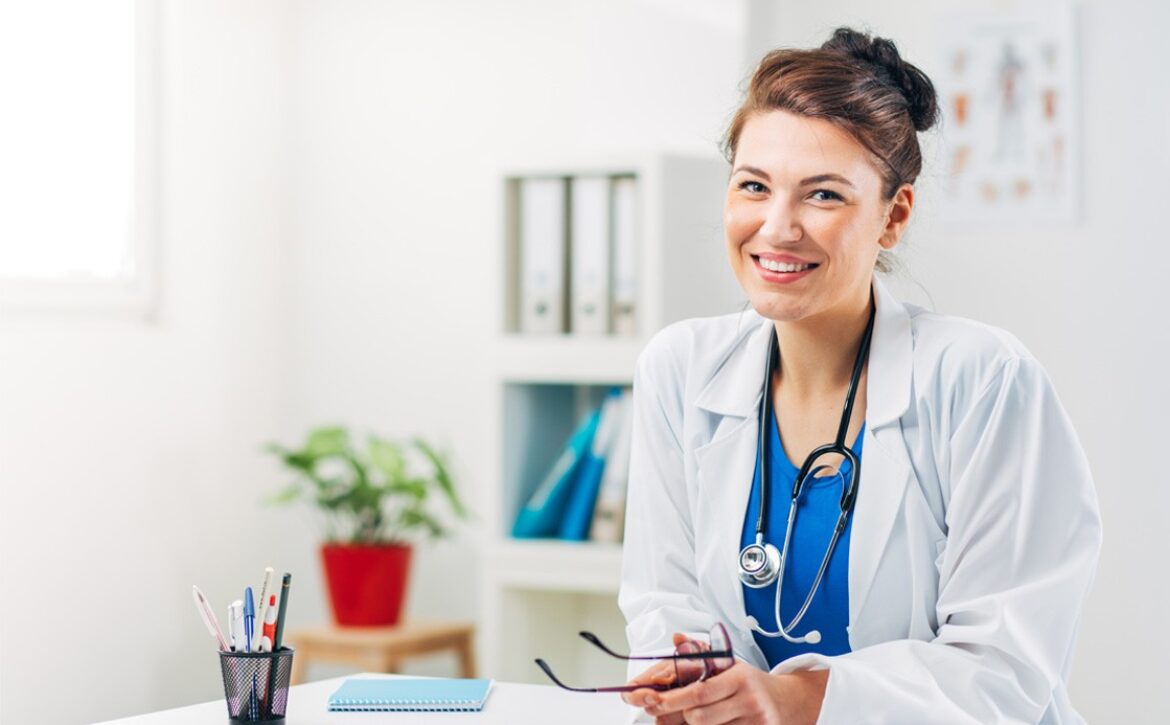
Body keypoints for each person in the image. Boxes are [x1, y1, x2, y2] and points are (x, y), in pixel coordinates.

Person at [617, 27, 1101, 724]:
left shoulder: (985, 383)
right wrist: (688, 679)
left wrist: (796, 700)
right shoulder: (679, 370)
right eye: (753, 185)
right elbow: (663, 603)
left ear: (894, 215)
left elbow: (1004, 669)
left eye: (823, 195)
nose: (776, 228)